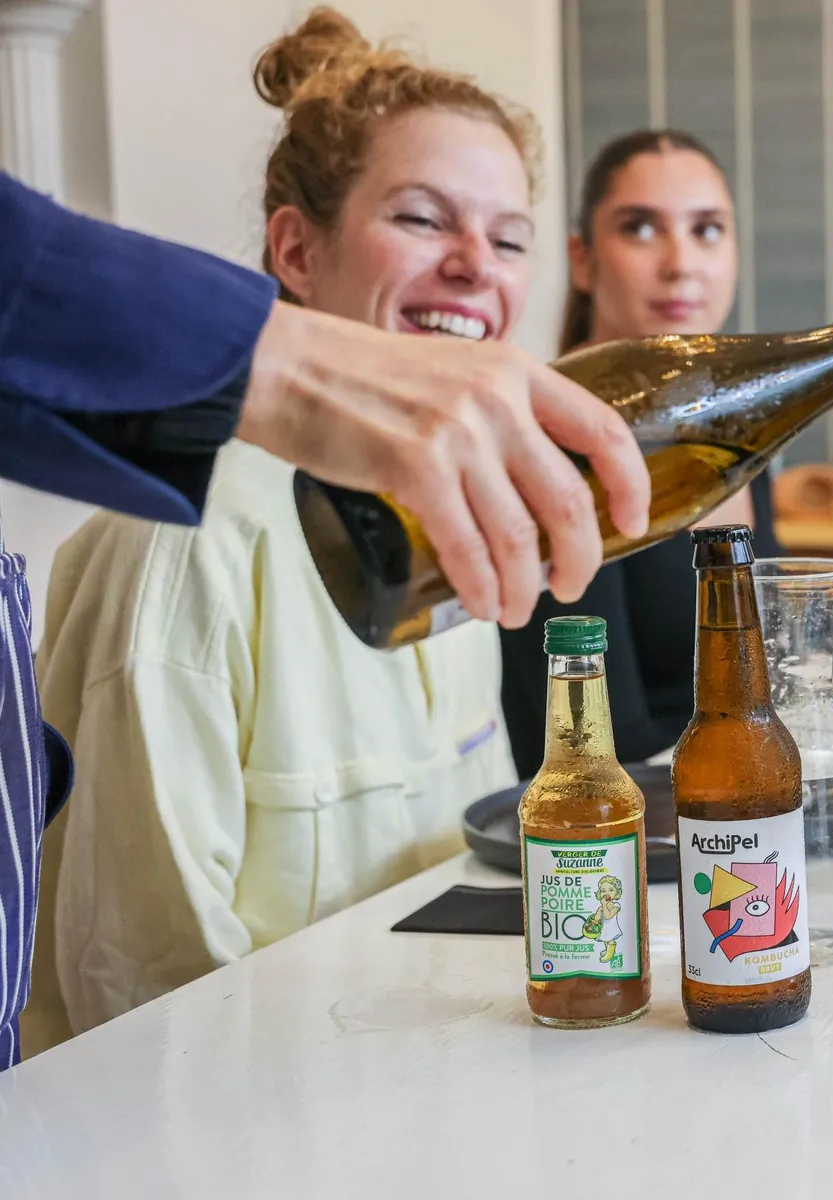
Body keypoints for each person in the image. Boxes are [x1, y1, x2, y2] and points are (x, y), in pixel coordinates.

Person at [23, 9, 602, 1050]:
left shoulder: (459, 523)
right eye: (424, 221)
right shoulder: (179, 542)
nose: (479, 265)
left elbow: (484, 872)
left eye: (509, 237)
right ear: (296, 250)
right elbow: (137, 991)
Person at [500, 131, 779, 772]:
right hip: (611, 845)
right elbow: (603, 746)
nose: (681, 262)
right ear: (584, 260)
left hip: (735, 814)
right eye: (641, 228)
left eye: (707, 230)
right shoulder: (554, 452)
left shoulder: (740, 432)